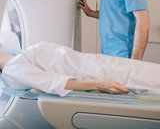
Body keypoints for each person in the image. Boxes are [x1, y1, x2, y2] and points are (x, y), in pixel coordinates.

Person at [1, 42, 160, 97]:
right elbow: (54, 83)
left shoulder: (17, 58)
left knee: (146, 70)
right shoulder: (12, 70)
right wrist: (98, 84)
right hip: (94, 73)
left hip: (97, 63)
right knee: (149, 78)